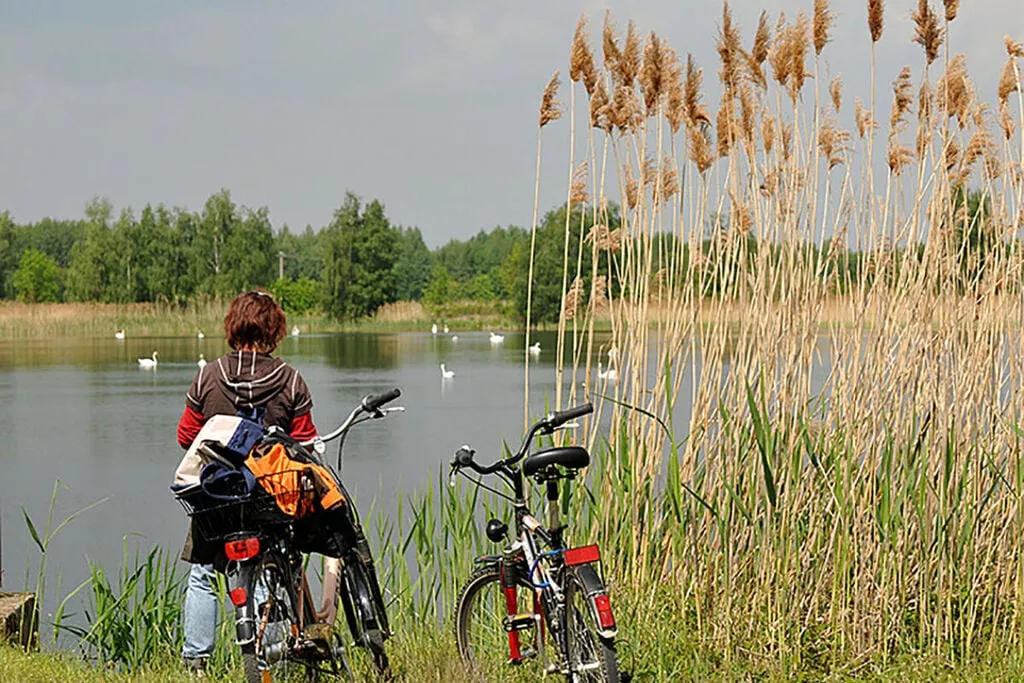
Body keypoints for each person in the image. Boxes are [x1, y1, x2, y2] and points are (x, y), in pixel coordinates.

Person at [176, 289, 318, 676]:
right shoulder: (290, 380)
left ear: (233, 326)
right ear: (274, 330)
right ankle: (272, 660)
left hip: (215, 499)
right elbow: (305, 443)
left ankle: (196, 664)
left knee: (204, 575)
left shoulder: (208, 376)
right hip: (269, 499)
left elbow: (185, 435)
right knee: (268, 575)